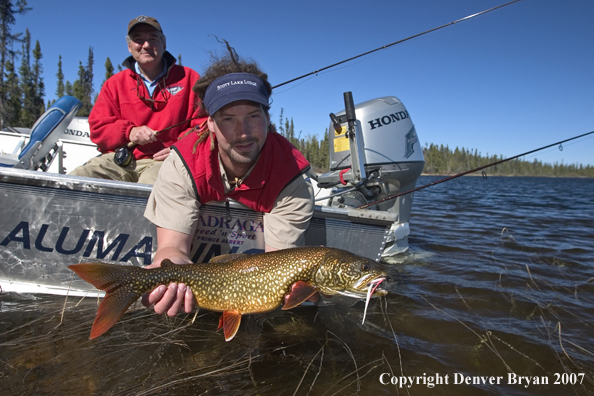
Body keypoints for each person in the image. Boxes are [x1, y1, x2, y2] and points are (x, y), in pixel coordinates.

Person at [142, 50, 315, 316]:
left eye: (253, 116)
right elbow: (172, 248)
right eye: (229, 118)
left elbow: (277, 268)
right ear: (210, 123)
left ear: (268, 119)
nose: (243, 132)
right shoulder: (184, 162)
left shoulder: (290, 177)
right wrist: (169, 265)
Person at [69, 15, 206, 184]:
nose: (146, 45)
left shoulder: (190, 78)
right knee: (75, 180)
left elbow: (205, 125)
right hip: (119, 160)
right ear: (129, 46)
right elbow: (98, 128)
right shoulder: (114, 84)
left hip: (165, 161)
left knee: (151, 189)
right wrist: (129, 132)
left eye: (152, 38)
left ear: (164, 43)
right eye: (138, 40)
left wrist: (179, 149)